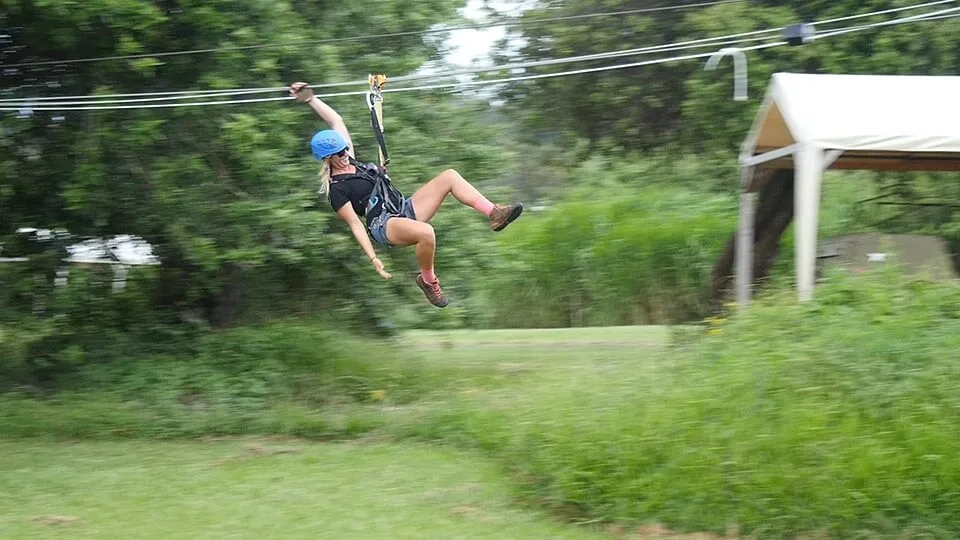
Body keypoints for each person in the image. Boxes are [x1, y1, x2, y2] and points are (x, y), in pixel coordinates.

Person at [289, 82, 524, 308]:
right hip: (383, 224)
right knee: (426, 233)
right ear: (326, 158)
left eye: (343, 150)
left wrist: (310, 98)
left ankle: (494, 213)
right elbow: (355, 225)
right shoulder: (337, 190)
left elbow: (335, 120)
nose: (344, 154)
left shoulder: (349, 158)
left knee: (450, 176)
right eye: (338, 154)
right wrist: (373, 259)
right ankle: (428, 281)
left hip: (400, 207)